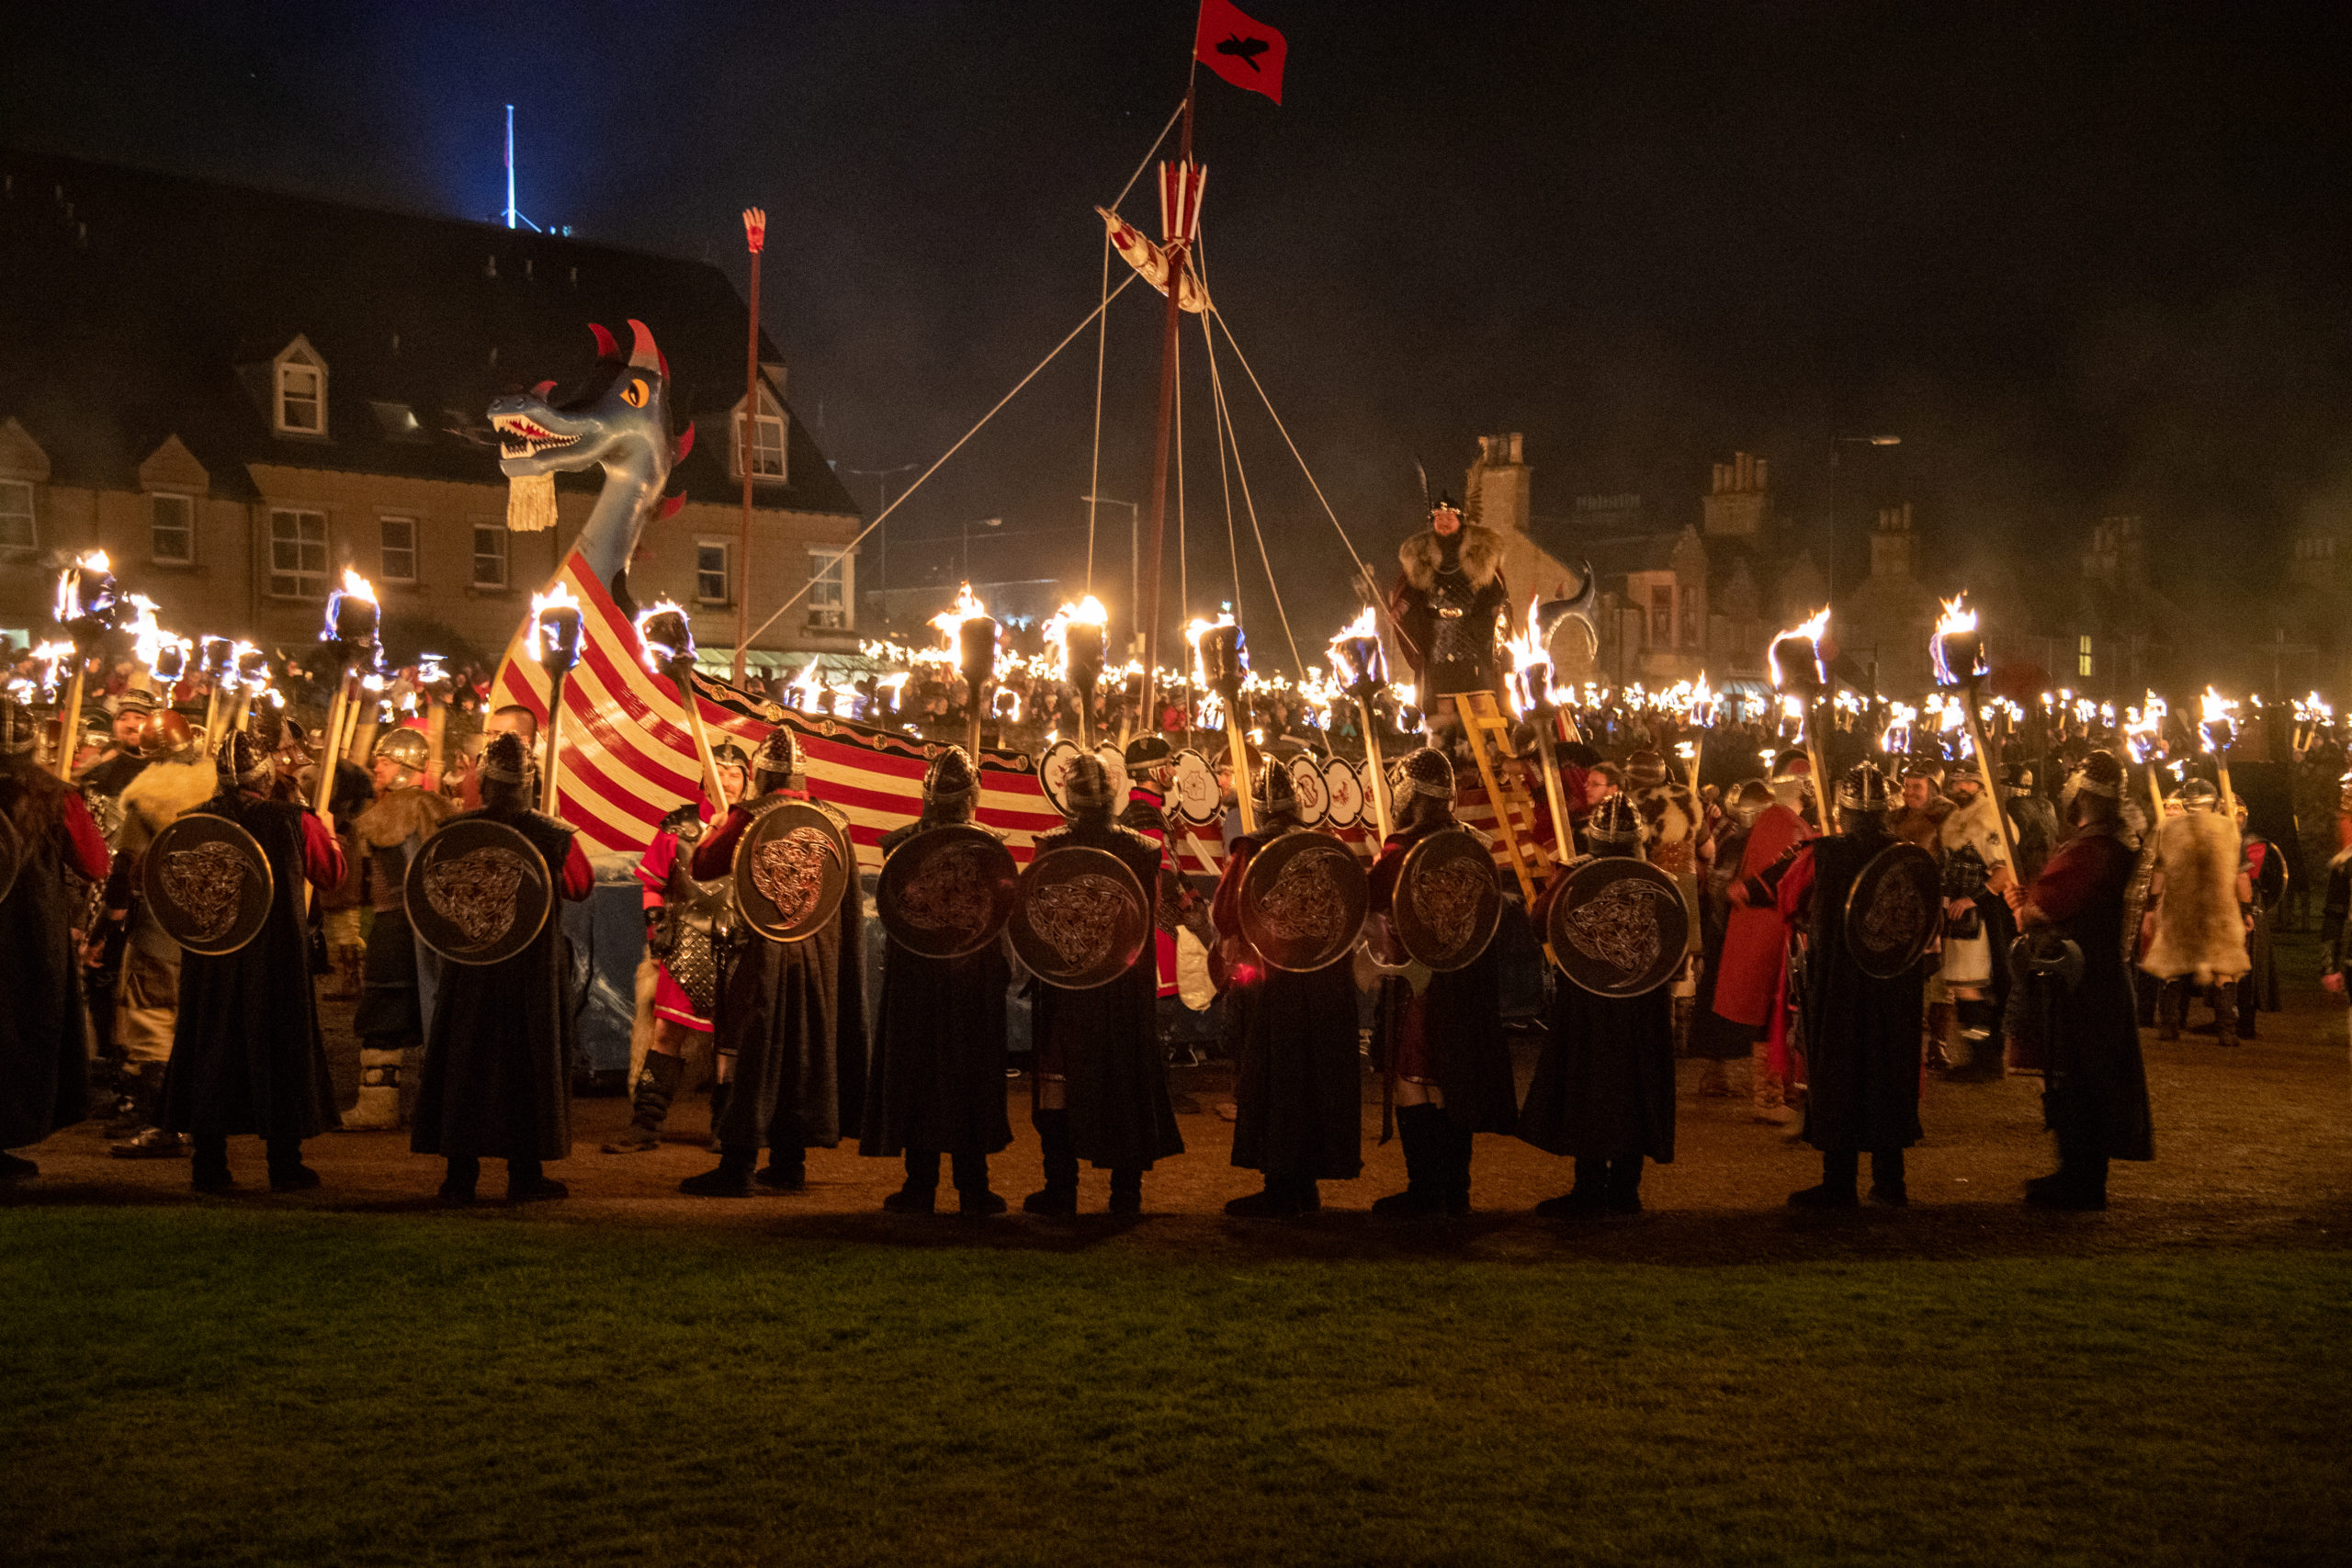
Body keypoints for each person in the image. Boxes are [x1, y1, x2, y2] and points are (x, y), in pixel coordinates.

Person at [154, 730, 345, 1192]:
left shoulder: (192, 820)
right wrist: (329, 834)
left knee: (211, 1048)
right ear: (266, 776)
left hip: (213, 960)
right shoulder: (295, 820)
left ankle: (210, 1165)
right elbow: (332, 876)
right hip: (274, 957)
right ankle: (284, 1163)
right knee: (279, 1046)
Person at [683, 728, 868, 1198]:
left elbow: (703, 866)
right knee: (802, 1052)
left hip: (762, 950)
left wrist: (717, 831)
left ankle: (738, 1163)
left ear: (761, 774)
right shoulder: (836, 821)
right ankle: (790, 1161)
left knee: (754, 1053)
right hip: (817, 956)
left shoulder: (749, 815)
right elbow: (845, 900)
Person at [409, 732, 591, 1204]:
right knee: (523, 1064)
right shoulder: (550, 834)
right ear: (528, 784)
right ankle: (522, 1172)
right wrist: (549, 842)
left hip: (476, 971)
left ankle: (460, 1175)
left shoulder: (459, 831)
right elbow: (580, 885)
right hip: (523, 973)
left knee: (466, 1060)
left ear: (485, 783)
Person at [1743, 761, 1923, 1208]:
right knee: (1886, 1072)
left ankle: (1839, 1182)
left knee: (1839, 1071)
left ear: (1843, 811)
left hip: (1840, 983)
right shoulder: (1910, 855)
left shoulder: (1821, 854)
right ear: (1886, 811)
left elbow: (1788, 900)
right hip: (1893, 986)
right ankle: (1890, 1180)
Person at [1022, 753, 1183, 1215]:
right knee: (1123, 1080)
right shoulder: (1142, 848)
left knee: (1061, 1080)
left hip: (1072, 986)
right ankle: (1124, 1194)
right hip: (1121, 986)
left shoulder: (1053, 846)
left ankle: (1063, 1191)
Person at [860, 748, 1016, 1214]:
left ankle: (958, 1184)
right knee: (929, 1076)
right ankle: (935, 1184)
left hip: (958, 981)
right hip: (930, 980)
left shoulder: (982, 849)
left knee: (949, 1076)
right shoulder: (907, 849)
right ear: (974, 796)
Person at [1364, 747, 1517, 1216]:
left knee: (1413, 1078)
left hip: (1419, 981)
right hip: (1467, 985)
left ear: (1408, 792)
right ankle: (1456, 1189)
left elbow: (1372, 906)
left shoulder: (1401, 847)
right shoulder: (1475, 844)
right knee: (1451, 1079)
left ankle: (1427, 1189)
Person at [1214, 759, 1363, 1215]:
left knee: (1280, 1078)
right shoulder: (1328, 846)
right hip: (1324, 985)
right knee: (1315, 1077)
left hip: (1277, 982)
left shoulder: (1250, 850)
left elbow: (1226, 913)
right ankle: (1305, 1183)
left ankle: (1283, 1185)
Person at [2006, 750, 2153, 1210]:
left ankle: (2082, 1180)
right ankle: (2077, 1174)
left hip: (2082, 983)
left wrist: (2021, 905)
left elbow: (2045, 909)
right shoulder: (2114, 842)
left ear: (2083, 794)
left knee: (2079, 1080)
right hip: (2097, 978)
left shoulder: (2093, 850)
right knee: (2082, 1078)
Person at [1519, 796, 1675, 1215]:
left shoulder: (1578, 874)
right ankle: (1624, 1187)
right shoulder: (1659, 879)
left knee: (1591, 1084)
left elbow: (1539, 924)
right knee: (1630, 1087)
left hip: (1594, 1003)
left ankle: (1594, 1187)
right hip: (1636, 1005)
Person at [605, 742, 749, 1154]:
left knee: (729, 1045)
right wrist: (656, 934)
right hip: (684, 941)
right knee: (665, 1034)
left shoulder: (758, 827)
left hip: (737, 945)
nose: (726, 779)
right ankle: (646, 1124)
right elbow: (653, 885)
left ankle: (725, 1127)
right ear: (705, 779)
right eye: (718, 772)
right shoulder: (677, 826)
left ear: (746, 780)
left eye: (735, 773)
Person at [0, 697, 108, 1179]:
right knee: (18, 1035)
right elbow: (94, 863)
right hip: (27, 937)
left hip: (29, 933)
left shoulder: (58, 794)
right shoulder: (56, 795)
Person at [104, 710, 216, 1158]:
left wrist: (109, 923)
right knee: (191, 1013)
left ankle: (158, 1117)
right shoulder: (216, 789)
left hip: (158, 917)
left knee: (151, 1010)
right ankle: (191, 1114)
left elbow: (126, 864)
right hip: (211, 920)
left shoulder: (147, 797)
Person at [347, 728, 453, 1131]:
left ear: (407, 768)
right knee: (432, 1012)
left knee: (386, 1011)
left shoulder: (389, 815)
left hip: (395, 927)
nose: (378, 766)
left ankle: (378, 1107)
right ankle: (434, 1106)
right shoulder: (441, 809)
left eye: (386, 761)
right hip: (436, 932)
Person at [1709, 754, 1815, 1123]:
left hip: (1769, 928)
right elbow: (1781, 879)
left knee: (1778, 1015)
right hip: (1769, 929)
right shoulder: (1784, 822)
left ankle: (1780, 1092)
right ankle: (1769, 1099)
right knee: (1772, 1015)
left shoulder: (1784, 820)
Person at [1385, 497, 1509, 739]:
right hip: (1438, 638)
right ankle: (1446, 748)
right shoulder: (1423, 557)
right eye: (1439, 518)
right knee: (1443, 703)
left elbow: (1493, 591)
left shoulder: (1477, 553)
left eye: (1449, 518)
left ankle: (1484, 747)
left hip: (1473, 634)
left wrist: (1498, 613)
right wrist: (1400, 607)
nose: (1443, 522)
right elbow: (1413, 590)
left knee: (1479, 701)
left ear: (1460, 520)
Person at [2142, 778, 2250, 1045]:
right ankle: (2227, 1030)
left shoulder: (2170, 830)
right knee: (2223, 965)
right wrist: (2245, 910)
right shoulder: (2227, 830)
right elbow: (2241, 878)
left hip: (2181, 905)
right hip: (2218, 908)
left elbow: (2160, 874)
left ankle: (2169, 1025)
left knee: (2173, 964)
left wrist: (2151, 908)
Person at [1936, 768, 2017, 1082]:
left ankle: (1986, 1059)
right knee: (1963, 986)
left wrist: (1974, 900)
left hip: (1982, 916)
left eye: (1967, 781)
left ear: (1980, 785)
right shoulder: (1955, 818)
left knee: (1972, 986)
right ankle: (1978, 1057)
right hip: (1958, 915)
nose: (1960, 787)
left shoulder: (1990, 818)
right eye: (1955, 782)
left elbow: (2003, 869)